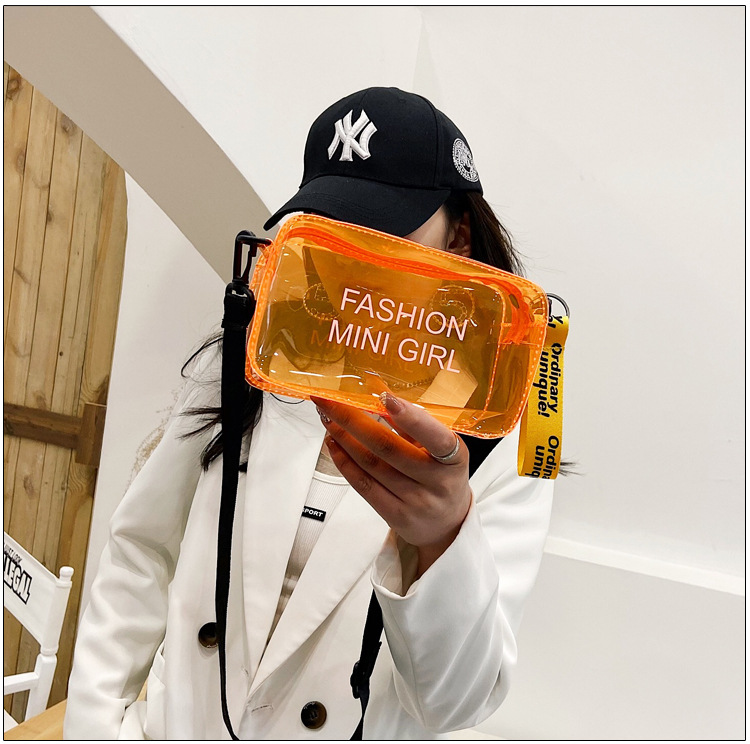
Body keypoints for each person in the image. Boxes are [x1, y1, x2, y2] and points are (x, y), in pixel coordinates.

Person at [64, 87, 554, 740]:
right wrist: (97, 728)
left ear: (458, 236)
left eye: (380, 229)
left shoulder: (501, 436)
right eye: (329, 226)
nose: (349, 258)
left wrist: (442, 540)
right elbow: (142, 552)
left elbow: (451, 706)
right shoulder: (253, 353)